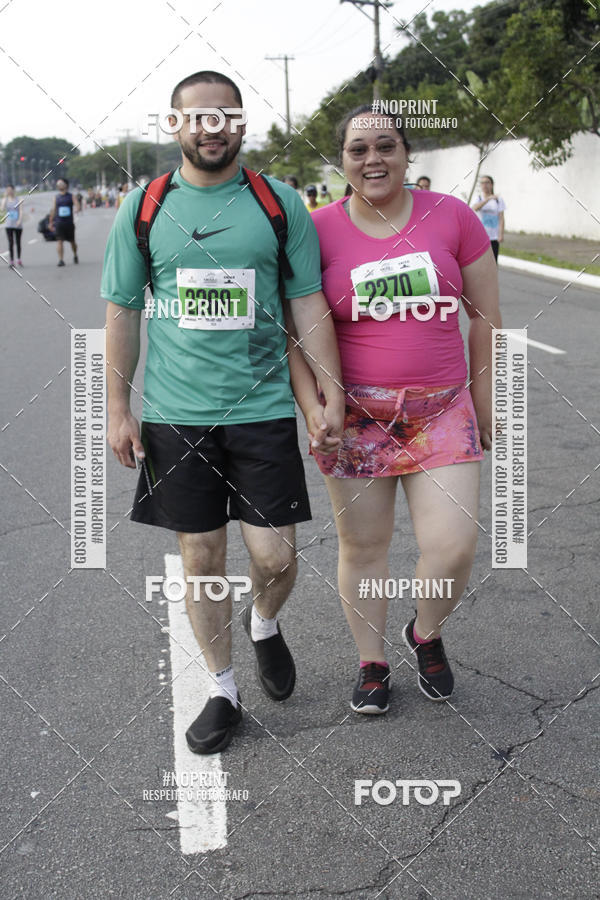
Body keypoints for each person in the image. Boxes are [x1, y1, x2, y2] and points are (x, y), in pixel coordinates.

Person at [102, 70, 344, 754]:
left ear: (243, 124)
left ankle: (264, 621)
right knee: (201, 557)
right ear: (175, 126)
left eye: (226, 115)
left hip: (262, 409)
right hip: (176, 415)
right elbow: (121, 312)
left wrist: (330, 390)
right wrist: (118, 407)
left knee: (274, 556)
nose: (213, 127)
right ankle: (223, 690)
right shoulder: (144, 207)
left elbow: (305, 304)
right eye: (198, 117)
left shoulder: (278, 204)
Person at [290, 104, 500, 715]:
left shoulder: (452, 217)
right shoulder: (317, 229)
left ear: (408, 154)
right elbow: (296, 332)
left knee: (453, 546)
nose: (373, 159)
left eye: (386, 146)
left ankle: (425, 632)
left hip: (442, 410)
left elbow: (486, 318)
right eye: (358, 150)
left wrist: (487, 403)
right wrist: (313, 408)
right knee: (365, 547)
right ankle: (372, 661)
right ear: (343, 161)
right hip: (356, 417)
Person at [472, 175, 505, 262]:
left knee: (493, 262)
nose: (484, 185)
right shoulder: (478, 198)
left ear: (492, 184)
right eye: (482, 183)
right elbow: (475, 208)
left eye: (487, 182)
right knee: (479, 262)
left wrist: (501, 234)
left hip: (493, 237)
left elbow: (501, 218)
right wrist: (488, 199)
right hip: (480, 237)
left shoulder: (498, 200)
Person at [48, 178, 79, 266]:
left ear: (66, 185)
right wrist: (51, 222)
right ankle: (61, 260)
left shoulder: (71, 196)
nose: (59, 185)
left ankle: (75, 254)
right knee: (59, 241)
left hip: (69, 223)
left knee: (72, 241)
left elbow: (77, 205)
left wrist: (77, 209)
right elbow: (53, 210)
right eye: (58, 184)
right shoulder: (56, 197)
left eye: (61, 183)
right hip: (59, 222)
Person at [1, 185, 23, 267]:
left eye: (10, 190)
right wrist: (4, 197)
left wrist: (19, 220)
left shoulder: (19, 199)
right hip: (9, 224)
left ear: (13, 190)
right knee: (11, 242)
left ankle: (19, 259)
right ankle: (11, 260)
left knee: (18, 242)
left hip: (17, 224)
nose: (9, 191)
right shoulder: (5, 200)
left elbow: (21, 210)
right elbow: (2, 209)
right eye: (7, 190)